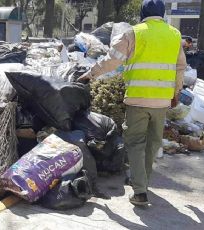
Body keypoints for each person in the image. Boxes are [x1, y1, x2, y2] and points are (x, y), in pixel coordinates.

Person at [77, 0, 187, 206]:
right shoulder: (175, 34)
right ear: (162, 14)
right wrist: (176, 92)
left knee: (136, 143)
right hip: (162, 101)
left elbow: (112, 60)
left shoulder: (133, 33)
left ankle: (139, 191)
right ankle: (142, 181)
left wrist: (91, 73)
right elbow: (180, 67)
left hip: (138, 98)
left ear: (142, 13)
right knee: (153, 143)